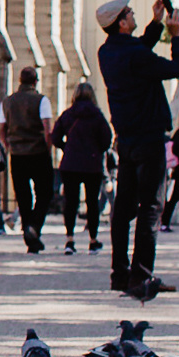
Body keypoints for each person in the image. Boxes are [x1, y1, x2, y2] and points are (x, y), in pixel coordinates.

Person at [94, 0, 179, 299]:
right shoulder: (135, 55)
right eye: (130, 14)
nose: (134, 17)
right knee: (151, 206)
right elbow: (177, 68)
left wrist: (156, 23)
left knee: (123, 208)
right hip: (149, 137)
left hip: (126, 139)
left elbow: (138, 50)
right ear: (122, 23)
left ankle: (119, 274)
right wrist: (177, 36)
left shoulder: (107, 52)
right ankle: (142, 275)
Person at [0, 65, 56, 255]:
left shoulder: (7, 102)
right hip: (38, 152)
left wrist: (10, 146)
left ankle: (30, 236)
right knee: (45, 193)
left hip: (17, 154)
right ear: (35, 81)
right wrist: (48, 148)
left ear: (20, 81)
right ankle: (34, 227)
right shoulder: (41, 101)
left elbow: (1, 131)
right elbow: (48, 130)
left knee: (23, 196)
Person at [51, 81, 111, 253]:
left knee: (70, 202)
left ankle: (70, 240)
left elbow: (55, 137)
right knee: (92, 203)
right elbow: (107, 140)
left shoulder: (68, 115)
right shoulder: (97, 116)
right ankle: (93, 239)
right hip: (92, 164)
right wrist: (95, 150)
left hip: (70, 164)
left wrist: (66, 148)